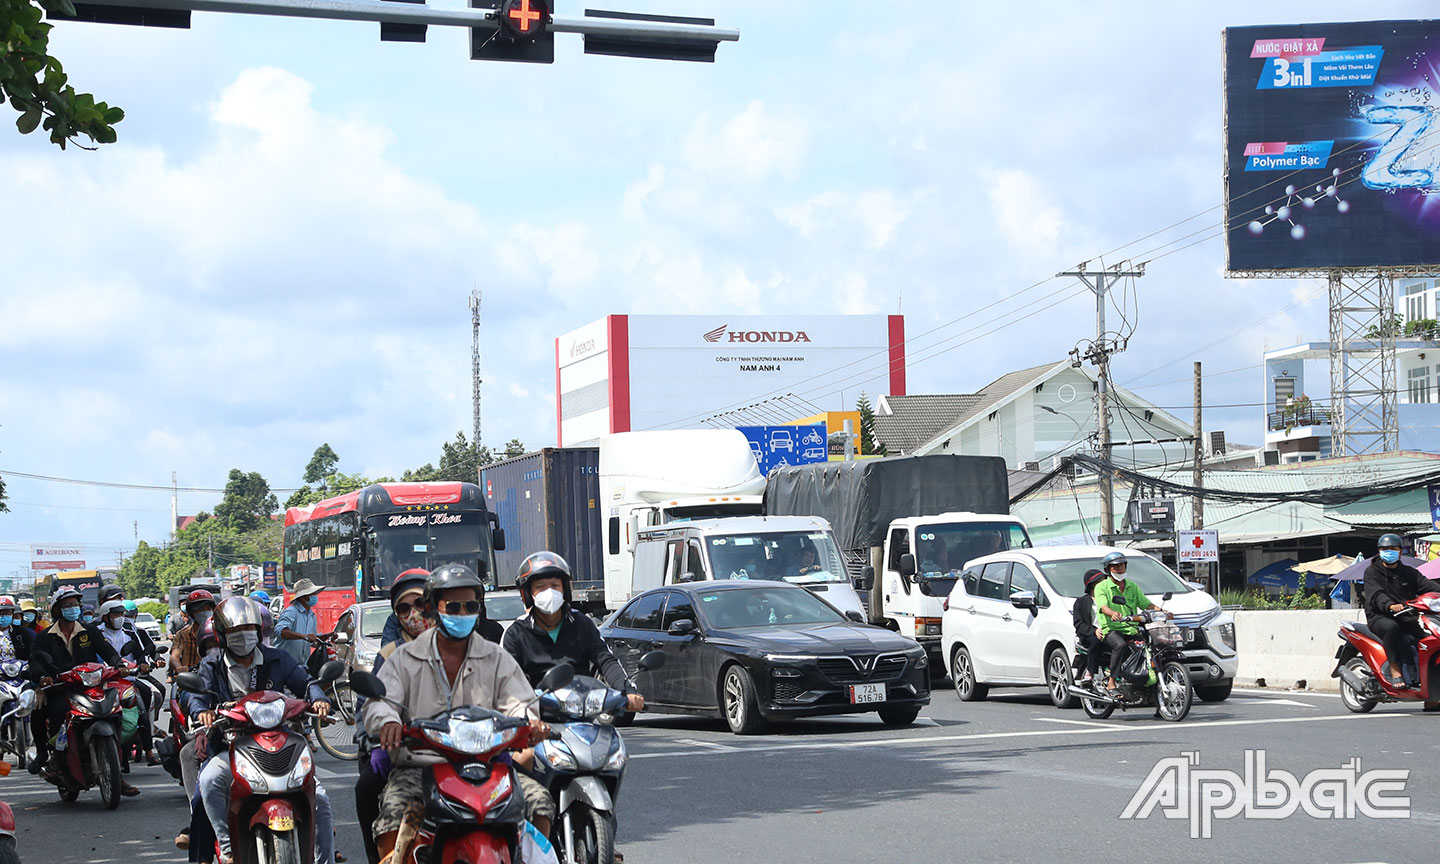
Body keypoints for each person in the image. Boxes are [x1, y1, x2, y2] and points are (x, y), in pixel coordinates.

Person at [362, 564, 554, 861]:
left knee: (540, 803)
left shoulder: (496, 656)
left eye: (471, 605)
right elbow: (381, 701)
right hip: (421, 766)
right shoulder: (404, 658)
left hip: (488, 766)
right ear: (432, 608)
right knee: (391, 815)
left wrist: (530, 723)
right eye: (453, 606)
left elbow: (520, 701)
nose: (463, 613)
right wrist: (387, 721)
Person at [186, 597, 334, 864]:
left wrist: (319, 699)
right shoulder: (211, 663)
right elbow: (194, 694)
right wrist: (201, 711)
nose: (243, 635)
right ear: (221, 635)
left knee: (319, 798)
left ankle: (326, 859)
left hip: (281, 744)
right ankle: (227, 848)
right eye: (234, 631)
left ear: (258, 631)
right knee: (207, 784)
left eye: (248, 629)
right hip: (229, 746)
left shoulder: (278, 658)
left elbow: (306, 682)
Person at [353, 569, 436, 864]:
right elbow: (372, 701)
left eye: (421, 603)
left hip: (464, 756)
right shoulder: (391, 654)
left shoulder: (467, 646)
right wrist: (378, 739)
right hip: (409, 755)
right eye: (404, 607)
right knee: (367, 791)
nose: (414, 614)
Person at [29, 587, 138, 795]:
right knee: (47, 711)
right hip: (61, 688)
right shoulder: (45, 636)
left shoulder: (89, 631)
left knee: (115, 712)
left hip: (91, 687)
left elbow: (106, 651)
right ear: (57, 609)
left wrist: (118, 664)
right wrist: (42, 677)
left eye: (75, 605)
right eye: (67, 605)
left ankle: (118, 773)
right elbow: (35, 660)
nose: (73, 609)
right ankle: (49, 756)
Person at [1363, 533, 1440, 695]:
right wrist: (1390, 605)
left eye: (1393, 548)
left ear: (1400, 551)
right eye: (1385, 549)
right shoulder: (1371, 572)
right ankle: (1395, 669)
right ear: (1379, 551)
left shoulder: (1409, 572)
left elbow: (1428, 585)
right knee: (1392, 628)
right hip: (1380, 617)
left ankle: (1430, 693)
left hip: (1407, 617)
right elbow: (1377, 595)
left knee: (1428, 641)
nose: (1388, 552)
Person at [1093, 552, 1171, 695]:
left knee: (1151, 649)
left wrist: (1162, 611)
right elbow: (1102, 606)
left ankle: (1155, 694)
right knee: (1120, 645)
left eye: (1122, 565)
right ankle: (1111, 683)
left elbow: (1146, 604)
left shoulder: (1132, 586)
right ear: (1108, 569)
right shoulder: (1101, 587)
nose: (1120, 569)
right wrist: (1112, 613)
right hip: (1111, 628)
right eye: (1115, 567)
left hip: (1132, 628)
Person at [98, 599, 161, 767]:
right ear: (105, 617)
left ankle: (148, 751)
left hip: (128, 680)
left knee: (143, 706)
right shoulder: (97, 634)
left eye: (121, 614)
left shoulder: (129, 633)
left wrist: (143, 664)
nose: (119, 618)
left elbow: (140, 652)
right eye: (115, 615)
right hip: (104, 682)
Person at [273, 578, 326, 669]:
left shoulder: (311, 615)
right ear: (304, 596)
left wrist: (320, 638)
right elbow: (281, 632)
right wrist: (304, 636)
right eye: (312, 594)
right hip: (284, 665)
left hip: (301, 666)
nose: (315, 597)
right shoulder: (291, 612)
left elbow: (311, 641)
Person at [169, 590, 216, 682]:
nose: (205, 612)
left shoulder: (220, 632)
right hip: (191, 681)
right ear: (192, 612)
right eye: (201, 609)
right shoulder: (182, 634)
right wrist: (180, 668)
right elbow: (174, 656)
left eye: (208, 609)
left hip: (216, 680)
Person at [1070, 569, 1107, 686]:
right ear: (1092, 585)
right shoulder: (1081, 602)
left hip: (1109, 630)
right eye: (1100, 582)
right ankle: (1090, 673)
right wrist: (1094, 631)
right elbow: (1078, 624)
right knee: (1096, 642)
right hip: (1090, 634)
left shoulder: (1109, 599)